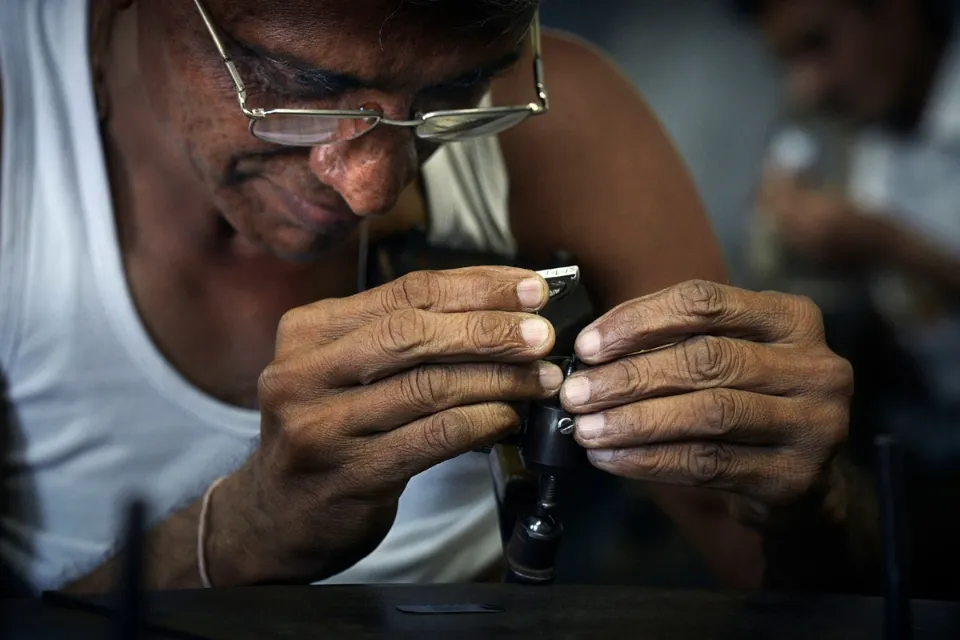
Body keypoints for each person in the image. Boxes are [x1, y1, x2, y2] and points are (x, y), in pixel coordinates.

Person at [0, 0, 853, 595]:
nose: (372, 190)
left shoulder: (569, 134)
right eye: (291, 85)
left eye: (453, 95)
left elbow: (784, 575)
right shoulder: (20, 124)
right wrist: (236, 537)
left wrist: (814, 501)